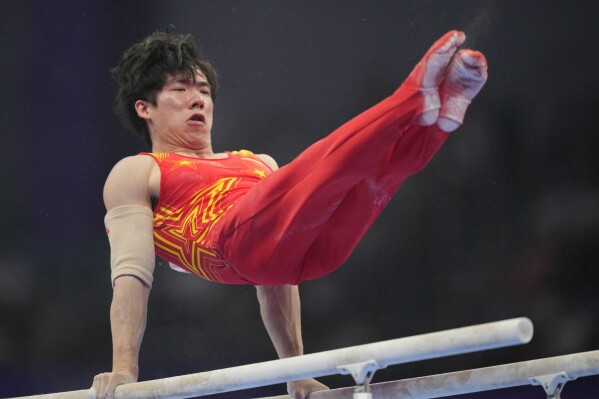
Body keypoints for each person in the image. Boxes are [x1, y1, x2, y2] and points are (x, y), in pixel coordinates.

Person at [91, 29, 488, 399]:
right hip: (229, 239)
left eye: (205, 90)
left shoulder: (257, 163)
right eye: (180, 89)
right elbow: (131, 273)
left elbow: (275, 276)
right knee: (332, 163)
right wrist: (124, 369)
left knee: (373, 179)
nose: (199, 99)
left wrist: (296, 370)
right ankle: (412, 97)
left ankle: (438, 119)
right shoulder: (139, 171)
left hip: (304, 258)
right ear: (144, 107)